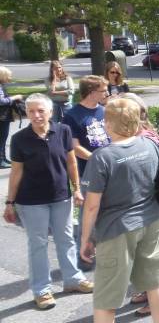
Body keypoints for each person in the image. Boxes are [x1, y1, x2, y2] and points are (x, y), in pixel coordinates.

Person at [3, 94, 94, 310]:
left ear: (50, 112)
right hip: (31, 201)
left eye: (40, 111)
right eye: (31, 111)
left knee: (66, 239)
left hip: (61, 196)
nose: (35, 115)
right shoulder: (19, 139)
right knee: (38, 244)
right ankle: (42, 290)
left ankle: (73, 279)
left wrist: (77, 189)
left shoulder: (63, 131)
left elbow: (71, 162)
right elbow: (16, 173)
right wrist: (9, 202)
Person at [80, 99, 159, 323]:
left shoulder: (102, 157)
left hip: (116, 229)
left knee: (106, 298)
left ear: (108, 125)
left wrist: (86, 238)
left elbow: (91, 205)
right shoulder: (150, 145)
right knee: (155, 282)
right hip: (151, 221)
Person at [119, 93, 159, 317]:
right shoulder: (135, 135)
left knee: (156, 252)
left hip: (151, 202)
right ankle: (148, 290)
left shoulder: (144, 136)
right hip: (138, 204)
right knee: (143, 252)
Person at [63, 75, 111, 268]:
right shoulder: (72, 115)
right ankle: (85, 258)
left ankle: (107, 253)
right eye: (103, 90)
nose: (106, 93)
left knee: (108, 213)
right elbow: (74, 147)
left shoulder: (104, 110)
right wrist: (97, 159)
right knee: (88, 216)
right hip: (88, 173)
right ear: (91, 92)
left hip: (110, 170)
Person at [0, 66, 23, 168]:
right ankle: (1, 161)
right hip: (2, 117)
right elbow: (1, 101)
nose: (10, 78)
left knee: (3, 139)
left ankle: (3, 158)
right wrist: (15, 97)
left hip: (3, 116)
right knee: (2, 139)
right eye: (8, 76)